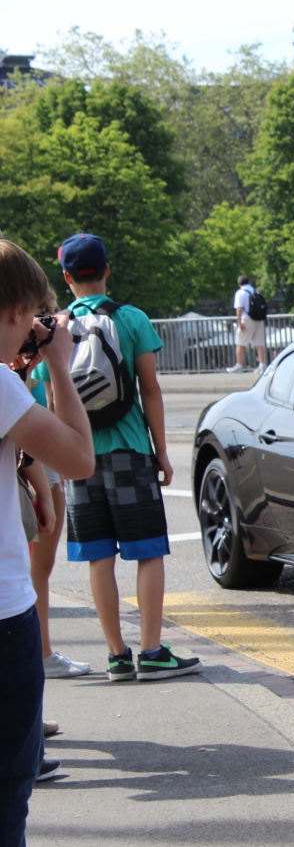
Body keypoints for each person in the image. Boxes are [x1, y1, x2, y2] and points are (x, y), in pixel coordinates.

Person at [33, 233, 202, 684]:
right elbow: (150, 389)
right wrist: (161, 450)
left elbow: (52, 395)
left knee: (99, 557)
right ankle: (151, 651)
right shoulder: (131, 319)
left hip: (79, 457)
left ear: (66, 277)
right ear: (107, 270)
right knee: (147, 552)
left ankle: (115, 656)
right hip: (130, 450)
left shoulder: (56, 326)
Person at [0, 238, 95, 847]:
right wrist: (58, 364)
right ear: (13, 311)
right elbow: (80, 459)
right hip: (3, 619)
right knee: (7, 800)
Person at [26, 287, 92, 679]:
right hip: (40, 458)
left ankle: (42, 654)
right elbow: (79, 456)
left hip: (39, 457)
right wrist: (56, 360)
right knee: (37, 569)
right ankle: (41, 655)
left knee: (37, 569)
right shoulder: (16, 368)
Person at [226, 275, 267, 374]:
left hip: (247, 319)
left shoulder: (240, 293)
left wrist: (239, 322)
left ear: (239, 284)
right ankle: (262, 365)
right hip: (259, 319)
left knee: (241, 343)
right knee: (259, 343)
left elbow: (239, 308)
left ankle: (239, 366)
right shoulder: (256, 291)